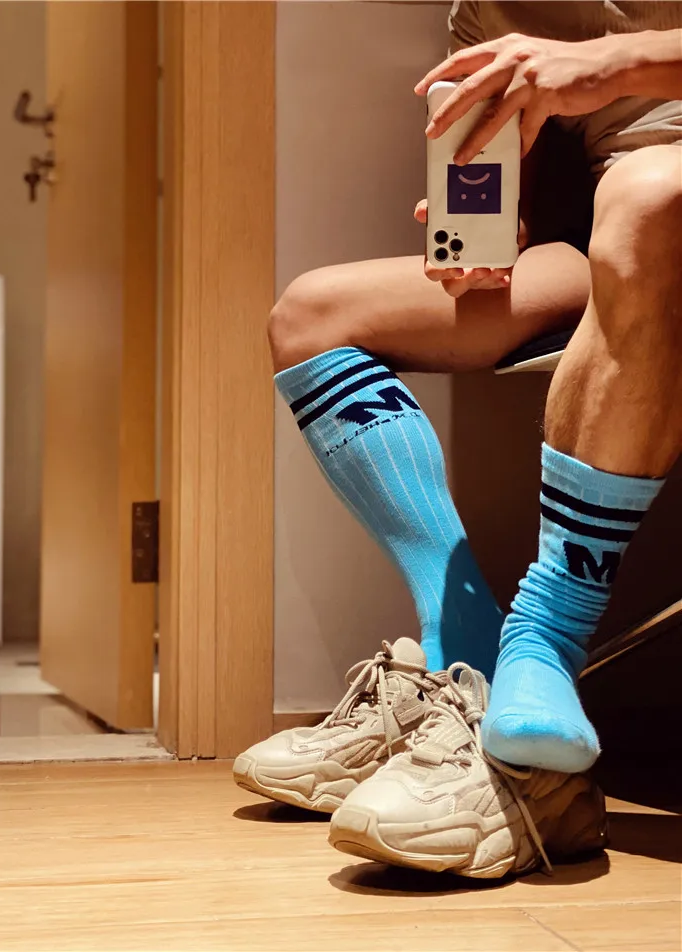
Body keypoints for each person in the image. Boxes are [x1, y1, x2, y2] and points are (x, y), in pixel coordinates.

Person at [234, 2, 682, 876]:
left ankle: (544, 640)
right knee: (310, 315)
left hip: (653, 203)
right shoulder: (486, 13)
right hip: (614, 239)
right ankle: (468, 659)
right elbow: (507, 200)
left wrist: (613, 62)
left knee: (648, 191)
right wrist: (487, 228)